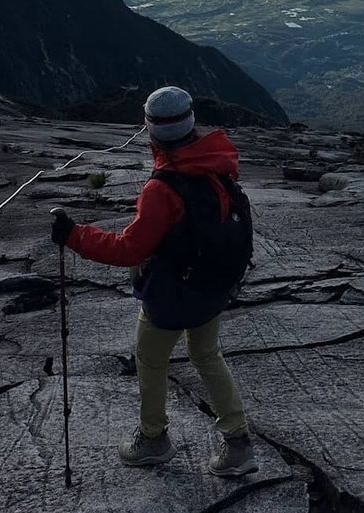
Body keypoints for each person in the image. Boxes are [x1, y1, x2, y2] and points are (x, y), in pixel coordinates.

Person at [50, 86, 256, 477]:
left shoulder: (162, 188)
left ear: (150, 129)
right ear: (191, 122)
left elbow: (129, 250)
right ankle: (238, 442)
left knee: (150, 358)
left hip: (174, 293)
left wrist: (74, 235)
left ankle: (154, 439)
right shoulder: (216, 159)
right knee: (207, 354)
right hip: (214, 285)